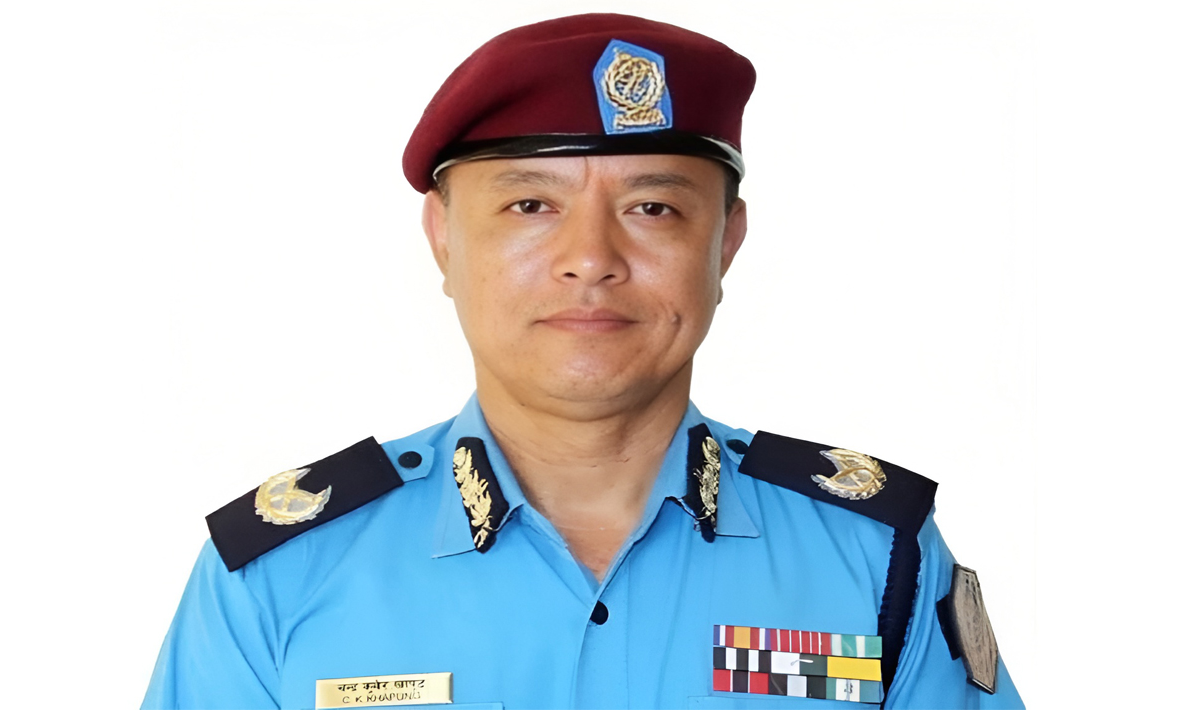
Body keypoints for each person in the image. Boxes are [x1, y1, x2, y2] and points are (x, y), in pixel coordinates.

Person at [142, 13, 1024, 710]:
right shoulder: (278, 574)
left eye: (653, 208)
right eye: (531, 204)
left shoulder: (876, 556)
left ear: (725, 244)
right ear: (444, 239)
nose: (591, 258)